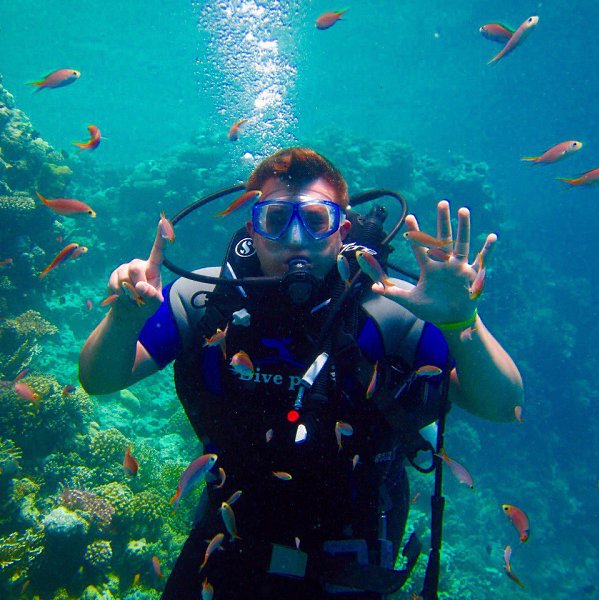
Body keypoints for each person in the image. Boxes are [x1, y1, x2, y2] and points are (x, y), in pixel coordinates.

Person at [79, 148, 523, 599]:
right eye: (275, 219)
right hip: (227, 543)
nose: (295, 239)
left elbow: (504, 406)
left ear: (342, 231)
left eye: (315, 220)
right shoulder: (201, 298)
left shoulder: (389, 309)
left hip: (350, 563)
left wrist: (461, 323)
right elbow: (99, 379)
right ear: (253, 226)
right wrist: (123, 319)